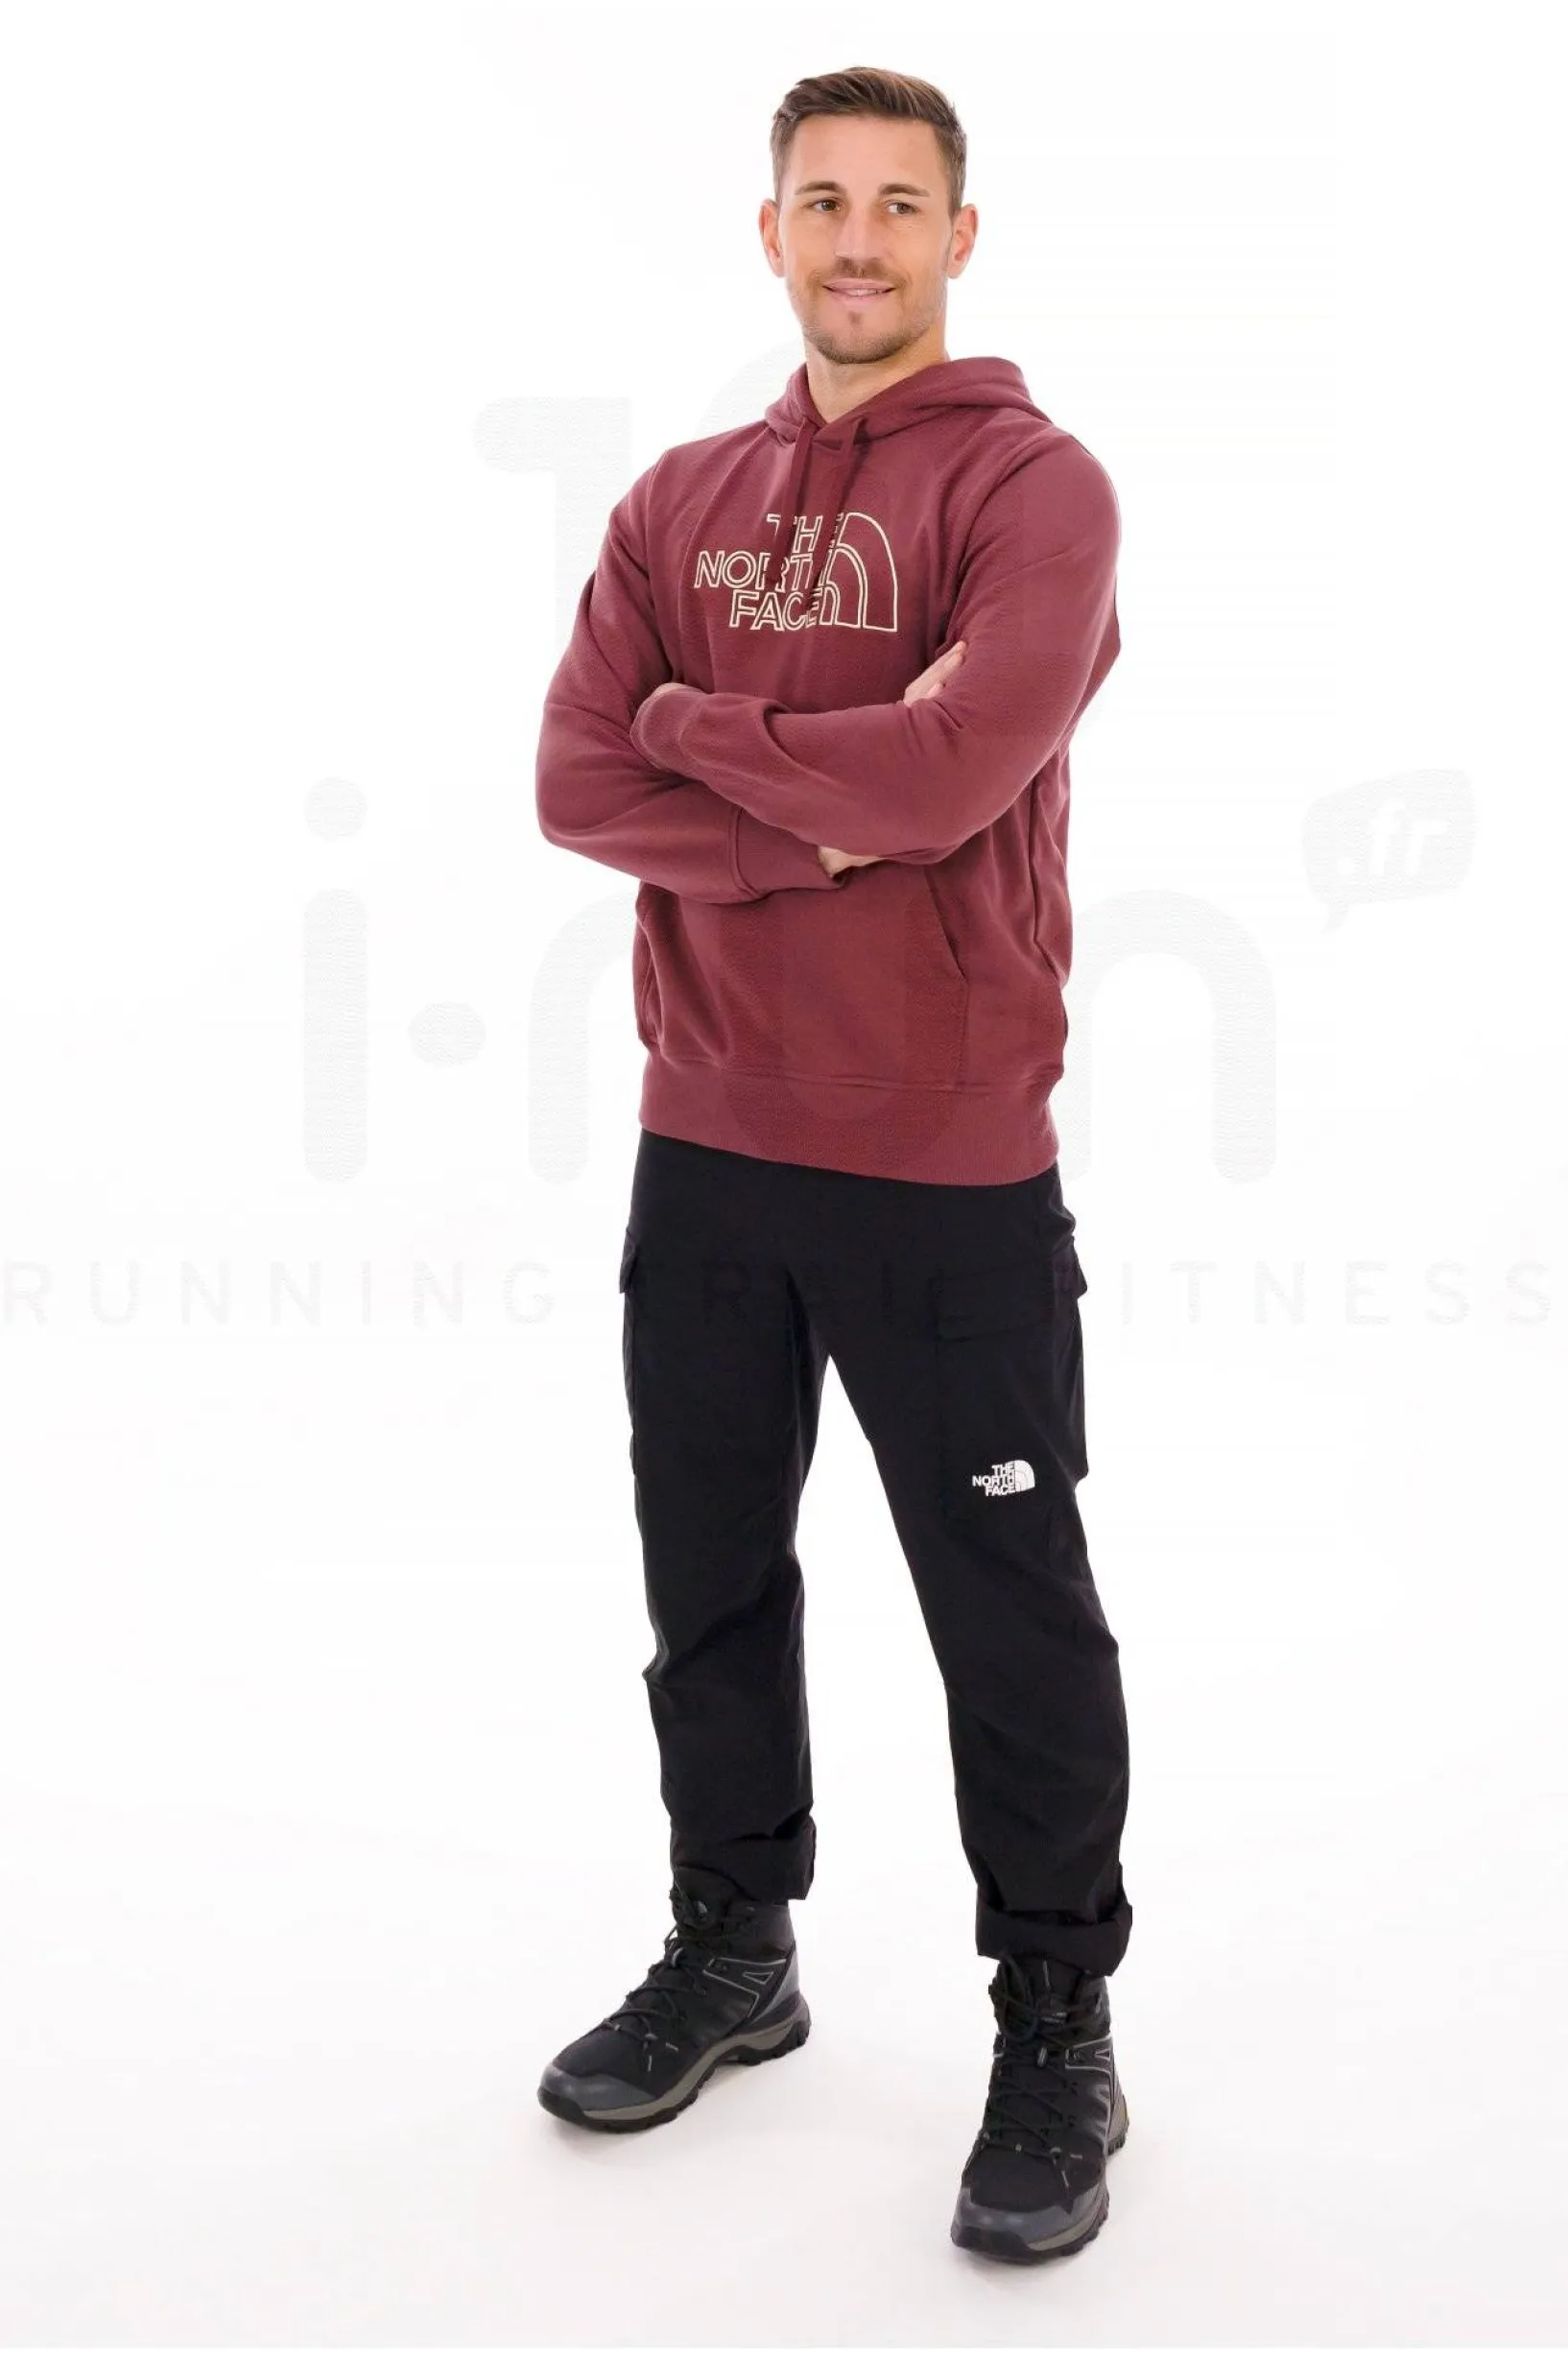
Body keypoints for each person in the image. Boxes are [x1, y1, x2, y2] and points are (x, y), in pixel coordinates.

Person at [533, 63, 1132, 2264]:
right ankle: (734, 1941)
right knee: (706, 1573)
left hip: (945, 1155)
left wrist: (703, 729)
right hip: (705, 1134)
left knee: (1007, 1606)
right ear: (768, 230)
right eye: (821, 201)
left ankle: (1057, 2019)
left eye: (897, 202)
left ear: (959, 237)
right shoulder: (677, 496)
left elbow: (954, 773)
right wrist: (822, 797)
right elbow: (573, 779)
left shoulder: (1033, 487)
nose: (857, 238)